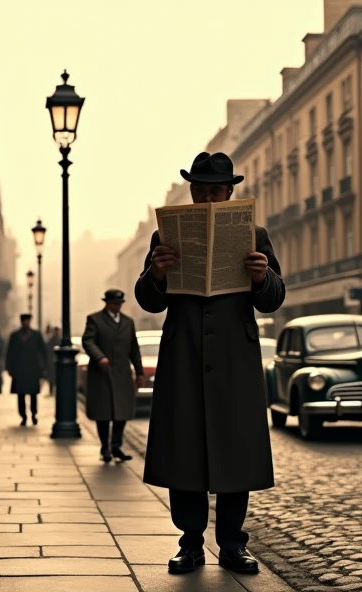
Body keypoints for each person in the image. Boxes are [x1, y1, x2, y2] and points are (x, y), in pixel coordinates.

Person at [135, 152, 286, 576]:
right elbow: (148, 299)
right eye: (199, 190)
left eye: (214, 191)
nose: (205, 198)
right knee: (184, 452)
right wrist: (157, 274)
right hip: (183, 357)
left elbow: (274, 297)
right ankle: (190, 543)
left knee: (235, 451)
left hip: (234, 362)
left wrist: (262, 277)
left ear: (229, 193)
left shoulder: (255, 234)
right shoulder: (166, 236)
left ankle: (234, 543)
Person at [81, 289, 145, 462]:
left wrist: (139, 372)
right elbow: (87, 341)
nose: (117, 306)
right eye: (114, 303)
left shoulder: (128, 322)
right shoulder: (95, 319)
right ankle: (105, 448)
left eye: (119, 303)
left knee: (122, 412)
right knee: (103, 413)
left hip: (122, 373)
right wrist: (99, 357)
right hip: (102, 373)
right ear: (107, 303)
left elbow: (134, 348)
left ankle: (116, 446)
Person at [5, 313, 50, 426]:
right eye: (25, 321)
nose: (26, 323)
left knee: (33, 394)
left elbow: (43, 351)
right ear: (22, 321)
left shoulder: (36, 335)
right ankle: (23, 416)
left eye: (28, 321)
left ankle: (34, 414)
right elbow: (9, 353)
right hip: (19, 370)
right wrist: (9, 369)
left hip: (33, 369)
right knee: (21, 395)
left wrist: (44, 368)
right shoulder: (14, 336)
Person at [45, 326, 61, 395]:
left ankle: (52, 390)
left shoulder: (54, 339)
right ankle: (52, 390)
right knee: (53, 377)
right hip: (53, 361)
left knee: (53, 377)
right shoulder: (55, 339)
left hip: (54, 361)